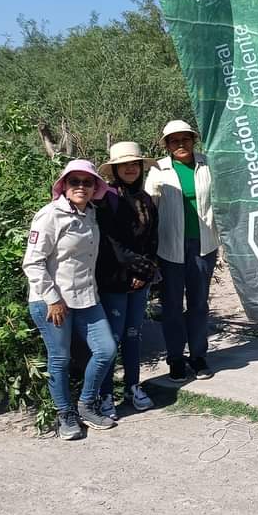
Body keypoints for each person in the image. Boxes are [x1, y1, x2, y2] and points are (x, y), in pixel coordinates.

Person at [23, 159, 117, 439]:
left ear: (94, 188)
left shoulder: (90, 215)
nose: (81, 187)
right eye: (74, 181)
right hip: (52, 302)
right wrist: (52, 299)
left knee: (106, 350)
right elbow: (33, 263)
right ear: (63, 186)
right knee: (60, 360)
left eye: (87, 182)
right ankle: (65, 414)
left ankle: (86, 404)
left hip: (87, 298)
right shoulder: (50, 215)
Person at [145, 120, 219, 383]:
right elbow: (148, 209)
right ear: (166, 145)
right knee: (172, 306)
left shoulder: (207, 165)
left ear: (193, 140)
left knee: (199, 304)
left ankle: (198, 356)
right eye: (174, 140)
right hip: (169, 248)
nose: (180, 144)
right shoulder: (158, 171)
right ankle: (176, 359)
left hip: (204, 245)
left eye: (185, 139)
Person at [95, 142, 159, 416]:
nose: (131, 168)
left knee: (134, 335)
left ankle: (132, 385)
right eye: (125, 165)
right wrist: (136, 269)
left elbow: (152, 240)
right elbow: (111, 244)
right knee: (113, 337)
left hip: (139, 280)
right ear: (115, 169)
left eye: (135, 164)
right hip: (113, 279)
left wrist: (144, 273)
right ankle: (106, 393)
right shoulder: (107, 199)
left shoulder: (145, 199)